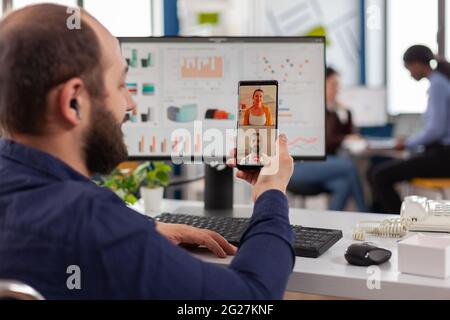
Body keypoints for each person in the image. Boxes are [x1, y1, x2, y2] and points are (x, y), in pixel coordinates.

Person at [0, 4, 295, 299]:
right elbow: (253, 299)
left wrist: (146, 228)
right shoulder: (93, 226)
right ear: (73, 102)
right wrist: (270, 191)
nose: (131, 104)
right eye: (120, 85)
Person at [370, 45, 450, 214]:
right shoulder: (440, 81)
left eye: (409, 68)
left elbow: (436, 130)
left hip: (444, 157)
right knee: (377, 171)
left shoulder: (437, 85)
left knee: (380, 175)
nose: (410, 74)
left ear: (418, 64)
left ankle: (401, 224)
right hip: (440, 153)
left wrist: (407, 143)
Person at [288, 67, 368, 212]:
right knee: (349, 166)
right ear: (321, 85)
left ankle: (332, 224)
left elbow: (348, 136)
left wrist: (345, 114)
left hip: (325, 165)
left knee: (343, 183)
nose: (337, 89)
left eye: (338, 86)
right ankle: (366, 213)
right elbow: (327, 140)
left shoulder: (337, 110)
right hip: (301, 165)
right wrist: (344, 136)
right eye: (333, 85)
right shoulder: (312, 109)